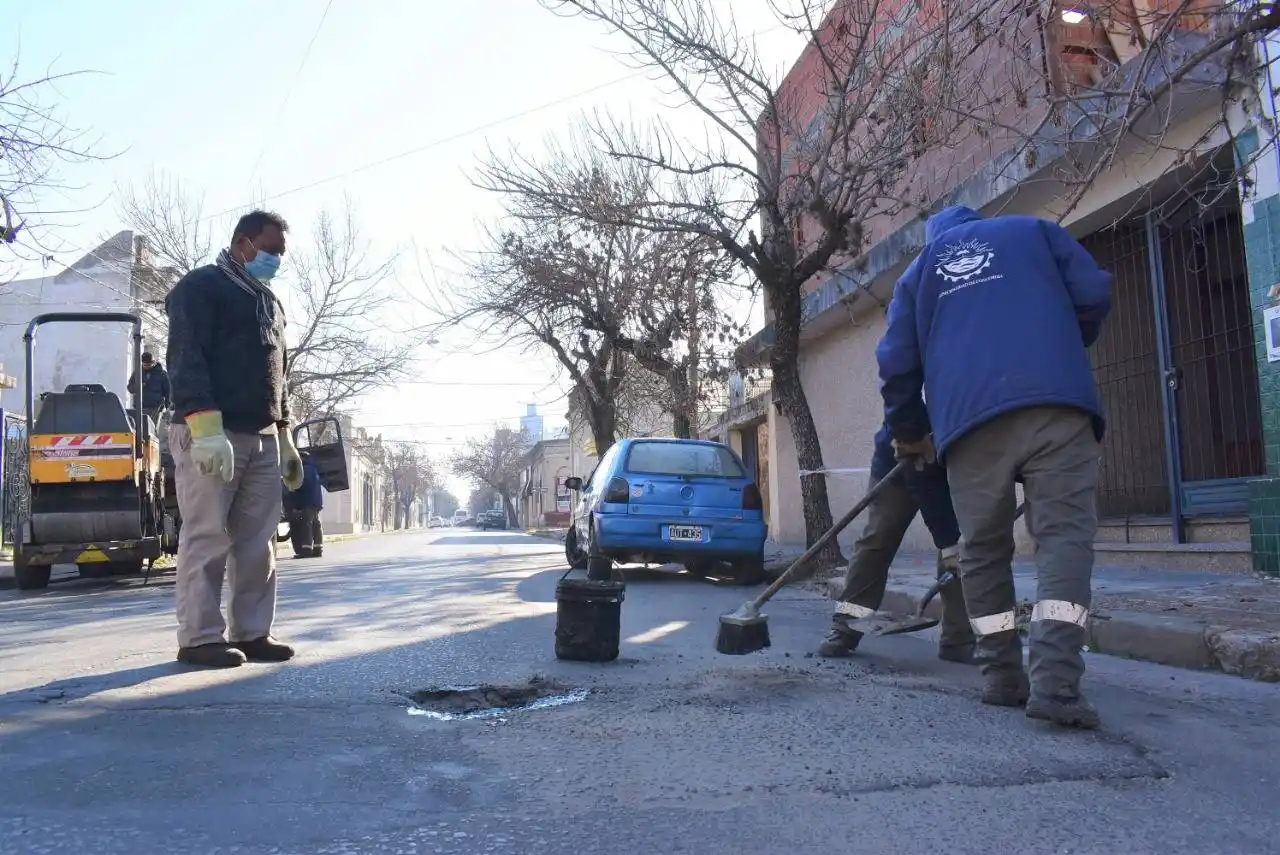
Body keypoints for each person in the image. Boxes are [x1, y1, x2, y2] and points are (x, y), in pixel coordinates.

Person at [877, 205, 1112, 729]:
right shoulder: (1034, 231)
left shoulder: (919, 272)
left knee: (981, 550)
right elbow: (1094, 293)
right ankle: (1057, 685)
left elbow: (895, 360)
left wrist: (910, 432)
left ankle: (1003, 676)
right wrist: (1061, 344)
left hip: (970, 424)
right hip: (1057, 408)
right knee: (1064, 540)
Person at [165, 210, 305, 669]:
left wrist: (284, 434)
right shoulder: (201, 287)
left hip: (261, 435)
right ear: (243, 243)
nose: (277, 260)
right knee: (207, 535)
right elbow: (185, 357)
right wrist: (204, 427)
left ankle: (253, 632)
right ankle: (199, 638)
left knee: (258, 543)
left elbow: (279, 375)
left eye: (281, 253)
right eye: (271, 250)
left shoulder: (269, 303)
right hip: (211, 432)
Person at [817, 421, 975, 663]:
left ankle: (959, 639)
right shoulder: (916, 412)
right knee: (877, 540)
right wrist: (946, 541)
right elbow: (922, 479)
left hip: (952, 467)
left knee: (959, 549)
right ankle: (846, 625)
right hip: (900, 464)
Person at [286, 451, 324, 559]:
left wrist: (292, 492)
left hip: (308, 502)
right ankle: (318, 549)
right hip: (316, 502)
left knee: (306, 525)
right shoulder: (313, 469)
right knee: (316, 524)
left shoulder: (304, 469)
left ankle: (306, 550)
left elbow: (300, 485)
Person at [128, 351, 171, 421]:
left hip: (155, 409)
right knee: (139, 426)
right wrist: (138, 386)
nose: (147, 367)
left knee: (152, 427)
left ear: (153, 362)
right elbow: (130, 388)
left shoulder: (161, 374)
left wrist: (168, 407)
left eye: (149, 365)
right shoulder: (138, 372)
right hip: (139, 408)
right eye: (145, 365)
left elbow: (168, 392)